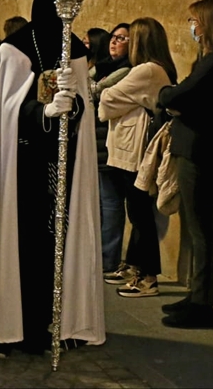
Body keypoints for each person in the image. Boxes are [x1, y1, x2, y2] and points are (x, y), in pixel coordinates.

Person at [0, 0, 104, 356]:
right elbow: (5, 113)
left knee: (57, 244)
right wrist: (43, 112)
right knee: (21, 246)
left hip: (63, 167)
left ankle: (56, 320)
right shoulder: (14, 49)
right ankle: (8, 326)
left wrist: (73, 108)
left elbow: (83, 114)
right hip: (20, 169)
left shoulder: (76, 49)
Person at [156, 0, 213, 328]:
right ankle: (196, 295)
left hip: (201, 150)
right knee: (196, 226)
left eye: (195, 21)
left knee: (200, 227)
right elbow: (190, 98)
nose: (192, 27)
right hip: (202, 147)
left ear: (209, 23)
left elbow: (178, 95)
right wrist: (178, 100)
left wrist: (169, 98)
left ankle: (202, 304)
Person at [98, 18, 178, 298]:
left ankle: (148, 277)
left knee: (141, 214)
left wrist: (121, 100)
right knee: (137, 212)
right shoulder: (150, 69)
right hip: (127, 148)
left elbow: (107, 100)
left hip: (135, 150)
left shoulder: (147, 70)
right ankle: (136, 267)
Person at [92, 23, 135, 282]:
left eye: (121, 38)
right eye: (113, 37)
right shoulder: (103, 66)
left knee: (111, 203)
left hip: (110, 144)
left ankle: (108, 258)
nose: (114, 42)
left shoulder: (125, 71)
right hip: (96, 143)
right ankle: (99, 255)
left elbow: (97, 94)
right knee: (101, 203)